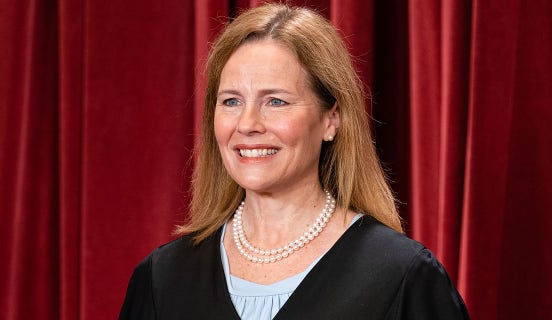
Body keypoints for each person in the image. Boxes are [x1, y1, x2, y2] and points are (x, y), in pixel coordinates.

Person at [119, 3, 469, 320]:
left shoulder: (401, 277)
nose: (247, 124)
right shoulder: (163, 279)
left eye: (276, 102)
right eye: (231, 102)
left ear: (331, 119)